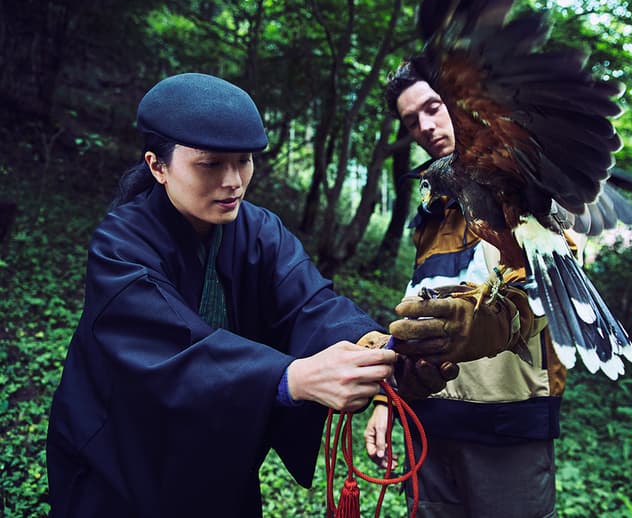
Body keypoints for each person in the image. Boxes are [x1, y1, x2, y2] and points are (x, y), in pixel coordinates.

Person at [46, 72, 422, 517]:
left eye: (244, 160)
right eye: (210, 164)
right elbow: (172, 352)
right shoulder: (120, 245)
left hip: (215, 465)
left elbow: (310, 303)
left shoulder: (259, 229)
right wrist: (291, 379)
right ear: (157, 165)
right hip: (122, 464)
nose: (234, 181)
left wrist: (373, 346)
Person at [364, 62, 567, 518]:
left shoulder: (518, 174)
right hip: (429, 426)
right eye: (411, 120)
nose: (426, 127)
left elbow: (550, 292)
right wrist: (385, 397)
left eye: (433, 108)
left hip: (507, 432)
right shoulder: (433, 206)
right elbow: (418, 300)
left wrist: (494, 324)